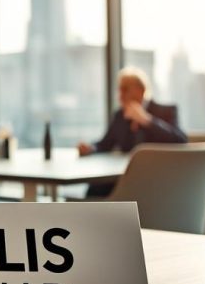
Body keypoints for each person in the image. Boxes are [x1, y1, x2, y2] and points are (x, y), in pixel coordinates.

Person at [77, 67, 187, 197]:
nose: (120, 95)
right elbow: (105, 144)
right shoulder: (120, 115)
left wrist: (147, 120)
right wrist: (90, 148)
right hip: (125, 176)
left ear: (141, 90)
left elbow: (180, 141)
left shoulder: (166, 111)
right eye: (119, 89)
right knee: (94, 188)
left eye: (125, 89)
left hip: (158, 180)